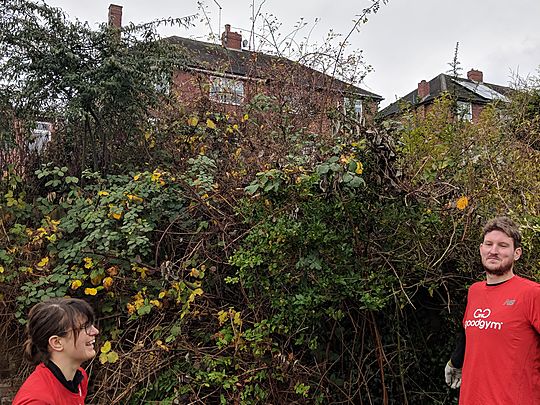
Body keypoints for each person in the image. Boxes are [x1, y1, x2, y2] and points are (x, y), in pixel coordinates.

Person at [445, 216, 540, 404]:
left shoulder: (532, 294)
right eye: (489, 244)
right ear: (481, 249)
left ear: (517, 253)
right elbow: (471, 331)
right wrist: (455, 361)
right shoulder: (475, 291)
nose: (494, 251)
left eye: (503, 246)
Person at [13, 297, 99, 405]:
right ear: (57, 343)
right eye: (84, 327)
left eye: (91, 325)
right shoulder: (37, 400)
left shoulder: (79, 378)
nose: (95, 331)